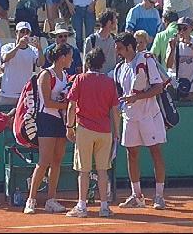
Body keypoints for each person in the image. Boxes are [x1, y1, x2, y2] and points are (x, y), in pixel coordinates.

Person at [114, 32, 166, 210]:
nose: (118, 52)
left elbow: (158, 87)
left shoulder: (146, 60)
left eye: (120, 48)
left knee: (155, 151)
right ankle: (137, 196)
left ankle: (159, 196)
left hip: (148, 115)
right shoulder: (120, 68)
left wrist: (138, 98)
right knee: (132, 153)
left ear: (129, 47)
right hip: (129, 116)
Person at [65, 47, 120, 218]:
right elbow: (115, 110)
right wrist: (117, 132)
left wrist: (69, 126)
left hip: (85, 129)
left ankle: (82, 206)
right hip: (105, 131)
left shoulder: (80, 79)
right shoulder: (109, 82)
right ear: (102, 63)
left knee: (84, 170)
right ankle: (104, 207)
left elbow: (71, 106)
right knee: (103, 170)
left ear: (87, 62)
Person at [23, 43, 72, 214]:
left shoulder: (65, 75)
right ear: (62, 57)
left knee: (57, 161)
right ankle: (31, 199)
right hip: (46, 120)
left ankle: (51, 199)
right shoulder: (45, 74)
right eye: (70, 56)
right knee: (44, 161)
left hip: (60, 121)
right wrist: (66, 105)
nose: (72, 59)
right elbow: (48, 102)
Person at [0, 21, 44, 106]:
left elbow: (40, 63)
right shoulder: (7, 47)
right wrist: (18, 46)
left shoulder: (33, 50)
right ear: (16, 33)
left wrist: (40, 49)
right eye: (22, 32)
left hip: (25, 94)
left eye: (27, 32)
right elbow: (5, 58)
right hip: (7, 93)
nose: (25, 34)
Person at [166, 17, 193, 101]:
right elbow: (168, 65)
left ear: (191, 29)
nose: (181, 31)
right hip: (175, 85)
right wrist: (172, 49)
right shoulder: (175, 44)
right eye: (179, 28)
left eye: (184, 28)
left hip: (191, 85)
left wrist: (190, 45)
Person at [83, 9, 117, 76]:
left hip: (111, 80)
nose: (116, 22)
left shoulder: (115, 40)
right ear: (109, 23)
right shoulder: (91, 40)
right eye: (115, 20)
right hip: (95, 80)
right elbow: (85, 64)